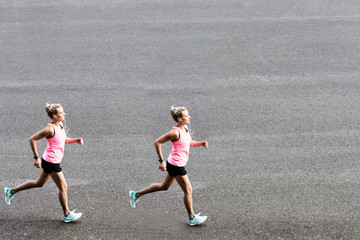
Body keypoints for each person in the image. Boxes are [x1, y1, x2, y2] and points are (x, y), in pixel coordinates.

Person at [4, 103, 83, 223]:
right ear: (55, 116)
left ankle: (11, 191)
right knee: (63, 187)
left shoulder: (60, 125)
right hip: (51, 162)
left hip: (50, 159)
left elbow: (62, 140)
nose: (64, 114)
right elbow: (32, 139)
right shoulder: (49, 129)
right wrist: (36, 158)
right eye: (61, 113)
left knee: (39, 183)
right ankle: (67, 214)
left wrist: (75, 140)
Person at [129, 106, 208, 226]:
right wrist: (161, 161)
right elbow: (157, 142)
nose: (189, 117)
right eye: (186, 116)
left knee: (164, 186)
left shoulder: (185, 128)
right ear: (180, 119)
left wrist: (200, 143)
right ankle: (192, 218)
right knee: (188, 190)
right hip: (176, 165)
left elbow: (187, 144)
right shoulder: (174, 132)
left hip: (174, 163)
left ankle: (136, 194)